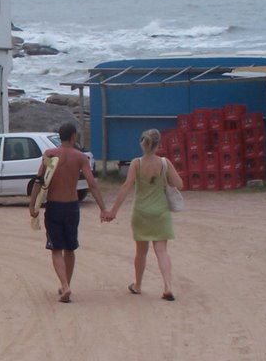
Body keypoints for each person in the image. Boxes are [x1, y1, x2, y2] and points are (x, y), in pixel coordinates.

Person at [28, 123, 108, 303]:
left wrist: (32, 205)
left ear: (59, 136)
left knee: (56, 248)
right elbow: (91, 183)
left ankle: (65, 286)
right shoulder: (80, 157)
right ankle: (66, 285)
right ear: (74, 137)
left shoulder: (50, 154)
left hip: (54, 206)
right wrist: (102, 208)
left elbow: (39, 181)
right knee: (70, 248)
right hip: (72, 206)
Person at [104, 129, 183, 301]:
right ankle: (168, 286)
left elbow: (126, 186)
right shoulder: (164, 163)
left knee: (141, 252)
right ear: (158, 144)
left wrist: (113, 211)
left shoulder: (136, 164)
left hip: (141, 212)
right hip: (160, 212)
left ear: (143, 143)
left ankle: (138, 285)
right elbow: (180, 184)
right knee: (161, 250)